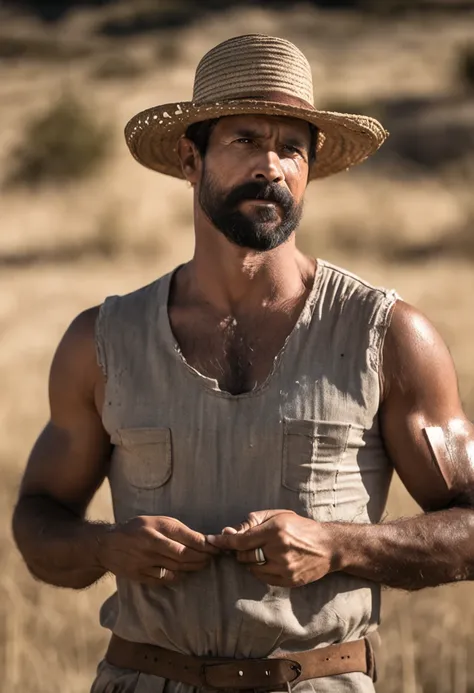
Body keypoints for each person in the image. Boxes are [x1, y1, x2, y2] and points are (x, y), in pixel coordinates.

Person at [12, 34, 474, 693]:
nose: (272, 166)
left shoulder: (389, 336)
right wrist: (106, 547)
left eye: (292, 147)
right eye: (246, 140)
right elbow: (37, 521)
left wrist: (339, 545)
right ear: (189, 159)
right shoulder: (104, 340)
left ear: (311, 169)